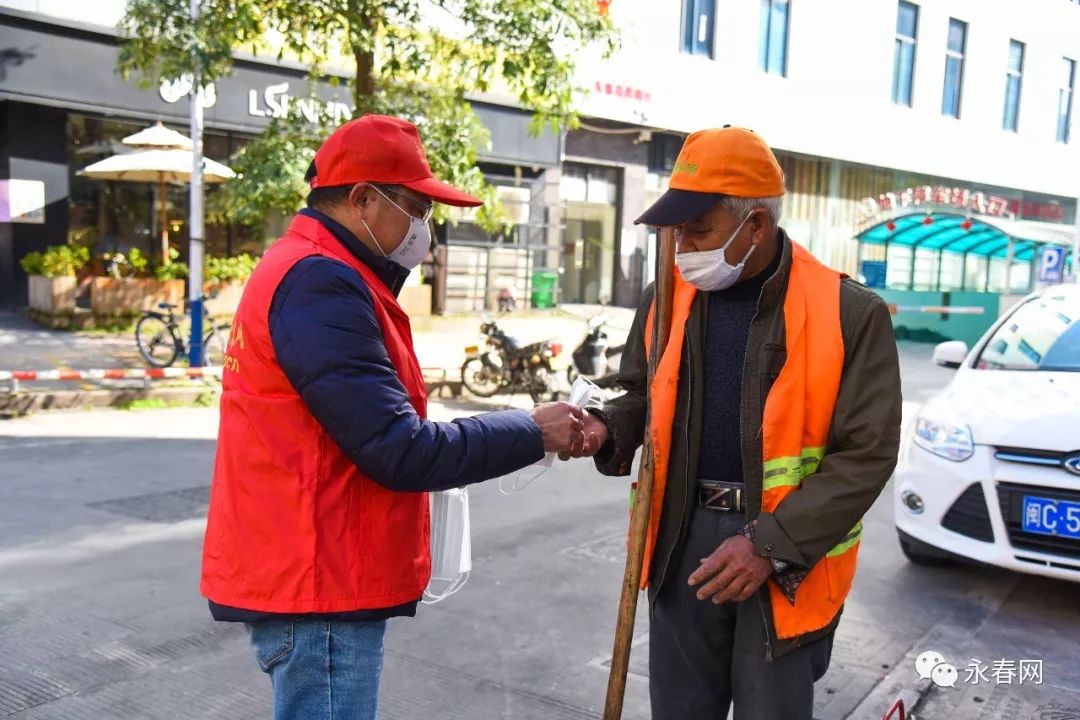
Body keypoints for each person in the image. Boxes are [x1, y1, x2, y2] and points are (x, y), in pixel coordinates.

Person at [201, 114, 591, 720]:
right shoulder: (319, 282)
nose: (425, 228)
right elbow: (399, 448)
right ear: (362, 199)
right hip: (318, 584)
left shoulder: (324, 272)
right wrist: (532, 429)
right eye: (415, 208)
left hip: (319, 572)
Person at [569, 126, 902, 719]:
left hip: (786, 550)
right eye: (674, 230)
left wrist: (768, 545)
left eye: (699, 229)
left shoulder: (851, 314)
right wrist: (607, 425)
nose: (680, 245)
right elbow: (642, 390)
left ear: (755, 225)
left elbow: (867, 455)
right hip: (679, 535)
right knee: (679, 709)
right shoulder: (666, 296)